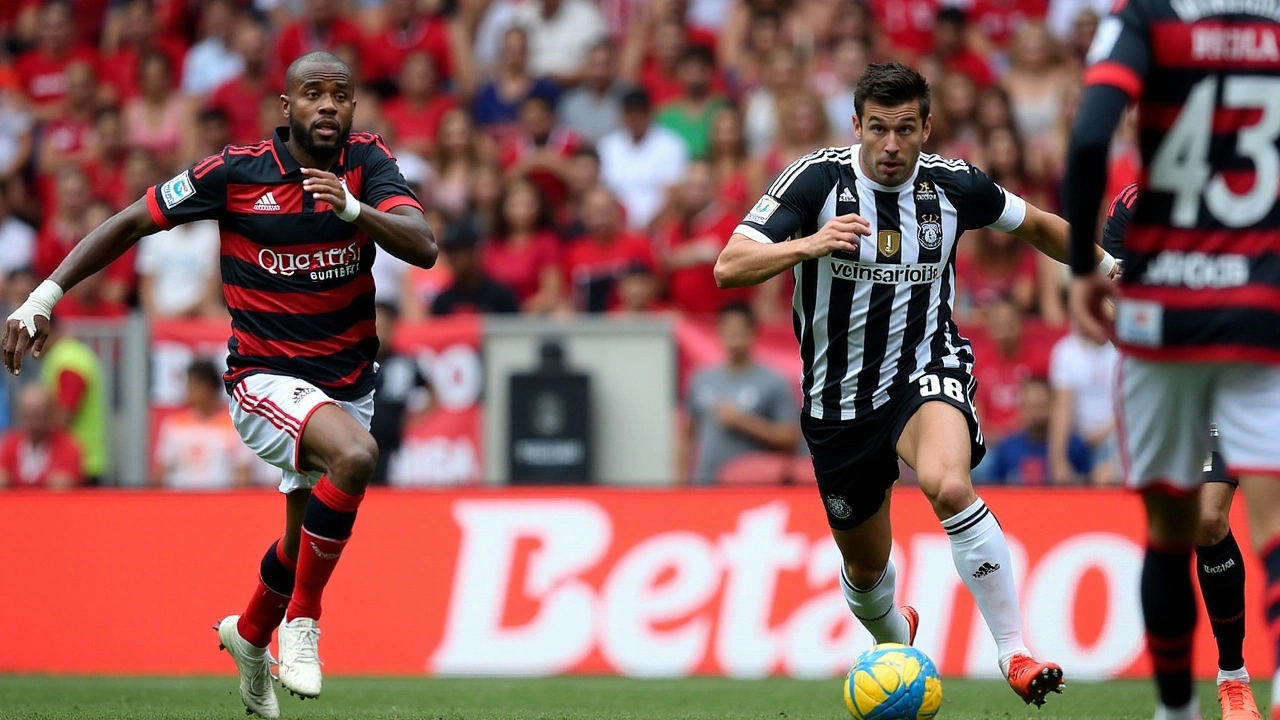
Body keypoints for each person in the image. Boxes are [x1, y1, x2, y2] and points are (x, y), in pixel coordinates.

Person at [2, 51, 436, 719]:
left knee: (298, 546)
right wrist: (43, 296)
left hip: (346, 381)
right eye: (312, 94)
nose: (327, 106)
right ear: (284, 109)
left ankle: (252, 637)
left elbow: (422, 244)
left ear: (353, 109)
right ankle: (304, 624)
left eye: (340, 96)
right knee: (355, 458)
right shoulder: (234, 173)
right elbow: (129, 223)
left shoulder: (367, 162)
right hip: (264, 378)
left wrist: (353, 208)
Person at [714, 62, 1120, 707]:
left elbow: (1041, 224)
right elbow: (729, 266)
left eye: (906, 129)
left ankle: (1013, 651)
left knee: (949, 485)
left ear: (928, 127)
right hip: (837, 402)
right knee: (866, 570)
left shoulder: (955, 186)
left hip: (925, 368)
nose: (892, 145)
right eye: (878, 129)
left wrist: (1110, 269)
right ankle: (895, 630)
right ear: (857, 126)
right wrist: (810, 244)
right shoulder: (816, 181)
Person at [1064, 0, 1280, 717]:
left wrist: (1079, 271)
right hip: (1246, 313)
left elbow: (1088, 135)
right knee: (1208, 527)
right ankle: (1210, 689)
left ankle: (1214, 686)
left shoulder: (1147, 16)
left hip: (1189, 325)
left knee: (1197, 523)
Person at [679, 301, 798, 484]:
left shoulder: (773, 381)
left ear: (753, 333)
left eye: (740, 331)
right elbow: (687, 436)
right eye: (729, 330)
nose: (734, 338)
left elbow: (790, 439)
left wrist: (743, 422)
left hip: (752, 488)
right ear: (718, 332)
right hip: (704, 487)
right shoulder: (700, 378)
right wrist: (680, 482)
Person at [153, 360, 257, 489]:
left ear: (208, 387)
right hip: (180, 500)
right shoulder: (174, 424)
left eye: (192, 384)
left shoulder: (235, 426)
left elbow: (242, 471)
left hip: (219, 501)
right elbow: (163, 470)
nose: (187, 390)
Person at [979, 377, 1091, 486]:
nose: (1034, 414)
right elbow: (995, 488)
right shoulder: (1007, 447)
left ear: (1052, 407)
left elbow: (1086, 485)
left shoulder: (1073, 445)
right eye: (1029, 407)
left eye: (1040, 406)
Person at [369, 301, 431, 484]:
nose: (379, 332)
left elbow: (431, 390)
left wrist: (413, 419)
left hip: (390, 442)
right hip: (356, 438)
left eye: (384, 326)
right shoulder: (353, 363)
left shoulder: (404, 363)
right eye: (375, 326)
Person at [0, 383, 84, 489]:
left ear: (51, 414)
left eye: (40, 415)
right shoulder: (11, 443)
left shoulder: (68, 446)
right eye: (28, 415)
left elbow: (63, 483)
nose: (34, 423)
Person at [430, 224, 520, 316]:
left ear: (474, 252)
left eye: (459, 252)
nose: (453, 258)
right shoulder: (443, 301)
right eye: (450, 253)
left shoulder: (501, 296)